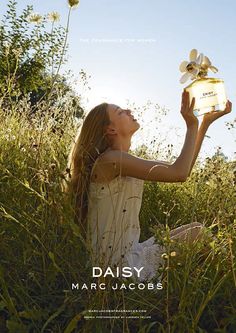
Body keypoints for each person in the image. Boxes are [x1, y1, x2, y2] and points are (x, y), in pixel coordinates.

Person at [63, 91, 232, 282]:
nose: (128, 110)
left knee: (195, 228)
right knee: (199, 233)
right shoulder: (111, 160)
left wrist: (204, 123)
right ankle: (221, 280)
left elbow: (183, 168)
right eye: (120, 112)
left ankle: (212, 278)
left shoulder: (121, 160)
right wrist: (191, 124)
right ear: (110, 129)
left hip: (127, 253)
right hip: (116, 267)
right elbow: (179, 174)